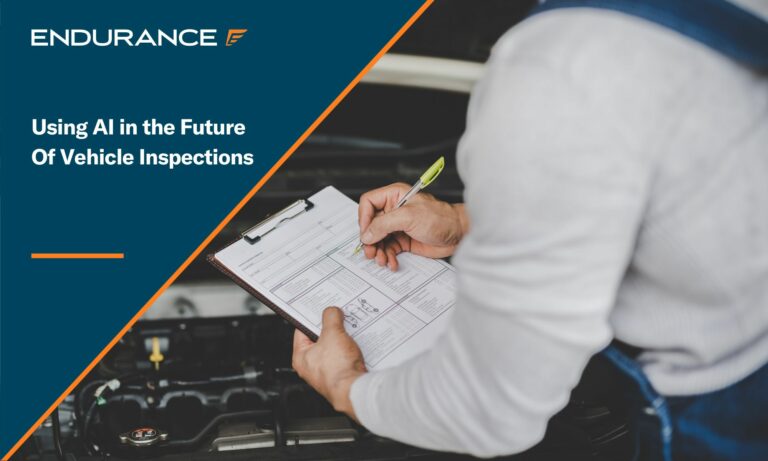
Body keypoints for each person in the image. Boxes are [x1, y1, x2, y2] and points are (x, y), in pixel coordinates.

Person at [291, 0, 768, 459]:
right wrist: (462, 223)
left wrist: (347, 385)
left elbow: (486, 409)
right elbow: (691, 182)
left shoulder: (562, 68)